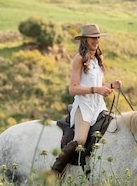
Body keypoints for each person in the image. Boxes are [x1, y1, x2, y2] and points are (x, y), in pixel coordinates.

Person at [51, 23, 122, 175]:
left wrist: (110, 85)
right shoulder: (79, 59)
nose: (96, 41)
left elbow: (98, 84)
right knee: (81, 140)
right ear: (85, 40)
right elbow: (73, 88)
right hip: (84, 107)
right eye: (92, 38)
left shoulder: (98, 59)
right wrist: (96, 89)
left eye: (97, 38)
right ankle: (55, 170)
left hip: (99, 107)